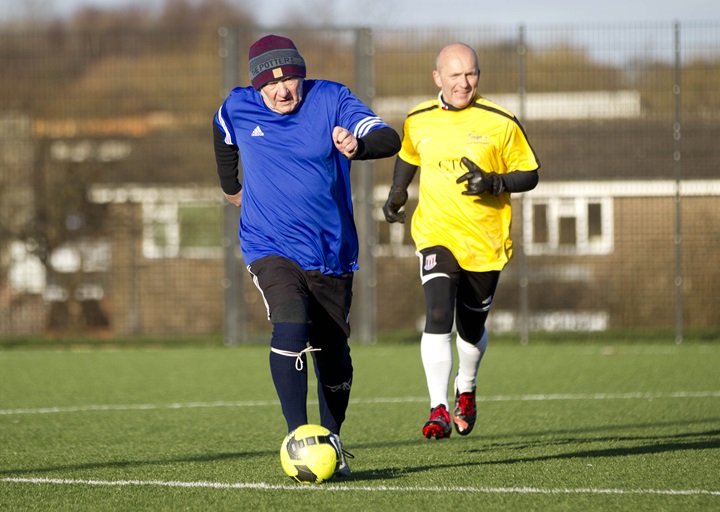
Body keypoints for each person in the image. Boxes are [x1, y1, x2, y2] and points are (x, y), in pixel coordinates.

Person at [213, 34, 401, 474]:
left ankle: (331, 438)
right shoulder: (238, 106)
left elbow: (388, 137)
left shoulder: (332, 99)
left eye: (290, 81)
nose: (282, 91)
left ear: (302, 75)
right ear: (257, 86)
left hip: (331, 252)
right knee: (291, 322)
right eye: (270, 85)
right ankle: (298, 437)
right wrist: (231, 187)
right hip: (268, 245)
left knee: (333, 355)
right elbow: (222, 134)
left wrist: (358, 146)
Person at [383, 43, 540, 439]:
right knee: (438, 313)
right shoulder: (418, 118)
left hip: (485, 243)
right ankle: (437, 408)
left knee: (471, 328)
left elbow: (530, 174)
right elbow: (408, 154)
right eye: (455, 75)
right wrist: (398, 190)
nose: (464, 83)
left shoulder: (501, 121)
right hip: (435, 234)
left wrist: (494, 182)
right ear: (438, 78)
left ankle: (465, 388)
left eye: (471, 74)